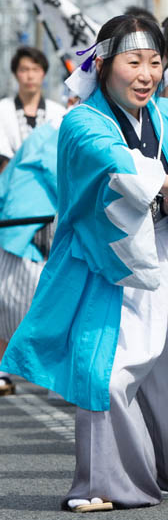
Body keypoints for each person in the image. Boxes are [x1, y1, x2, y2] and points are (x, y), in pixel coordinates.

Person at [0, 14, 168, 512]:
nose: (147, 74)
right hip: (111, 264)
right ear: (104, 66)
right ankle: (105, 483)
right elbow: (112, 161)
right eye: (134, 62)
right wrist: (164, 185)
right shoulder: (84, 121)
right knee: (109, 374)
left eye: (154, 62)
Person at [0, 121, 61, 397]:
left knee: (10, 310)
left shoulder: (49, 130)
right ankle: (55, 379)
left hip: (16, 230)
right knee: (32, 309)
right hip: (27, 234)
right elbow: (63, 179)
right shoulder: (57, 131)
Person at [0, 46, 67, 166]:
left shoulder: (59, 112)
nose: (30, 76)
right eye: (24, 70)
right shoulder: (3, 109)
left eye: (35, 69)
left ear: (44, 74)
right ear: (15, 74)